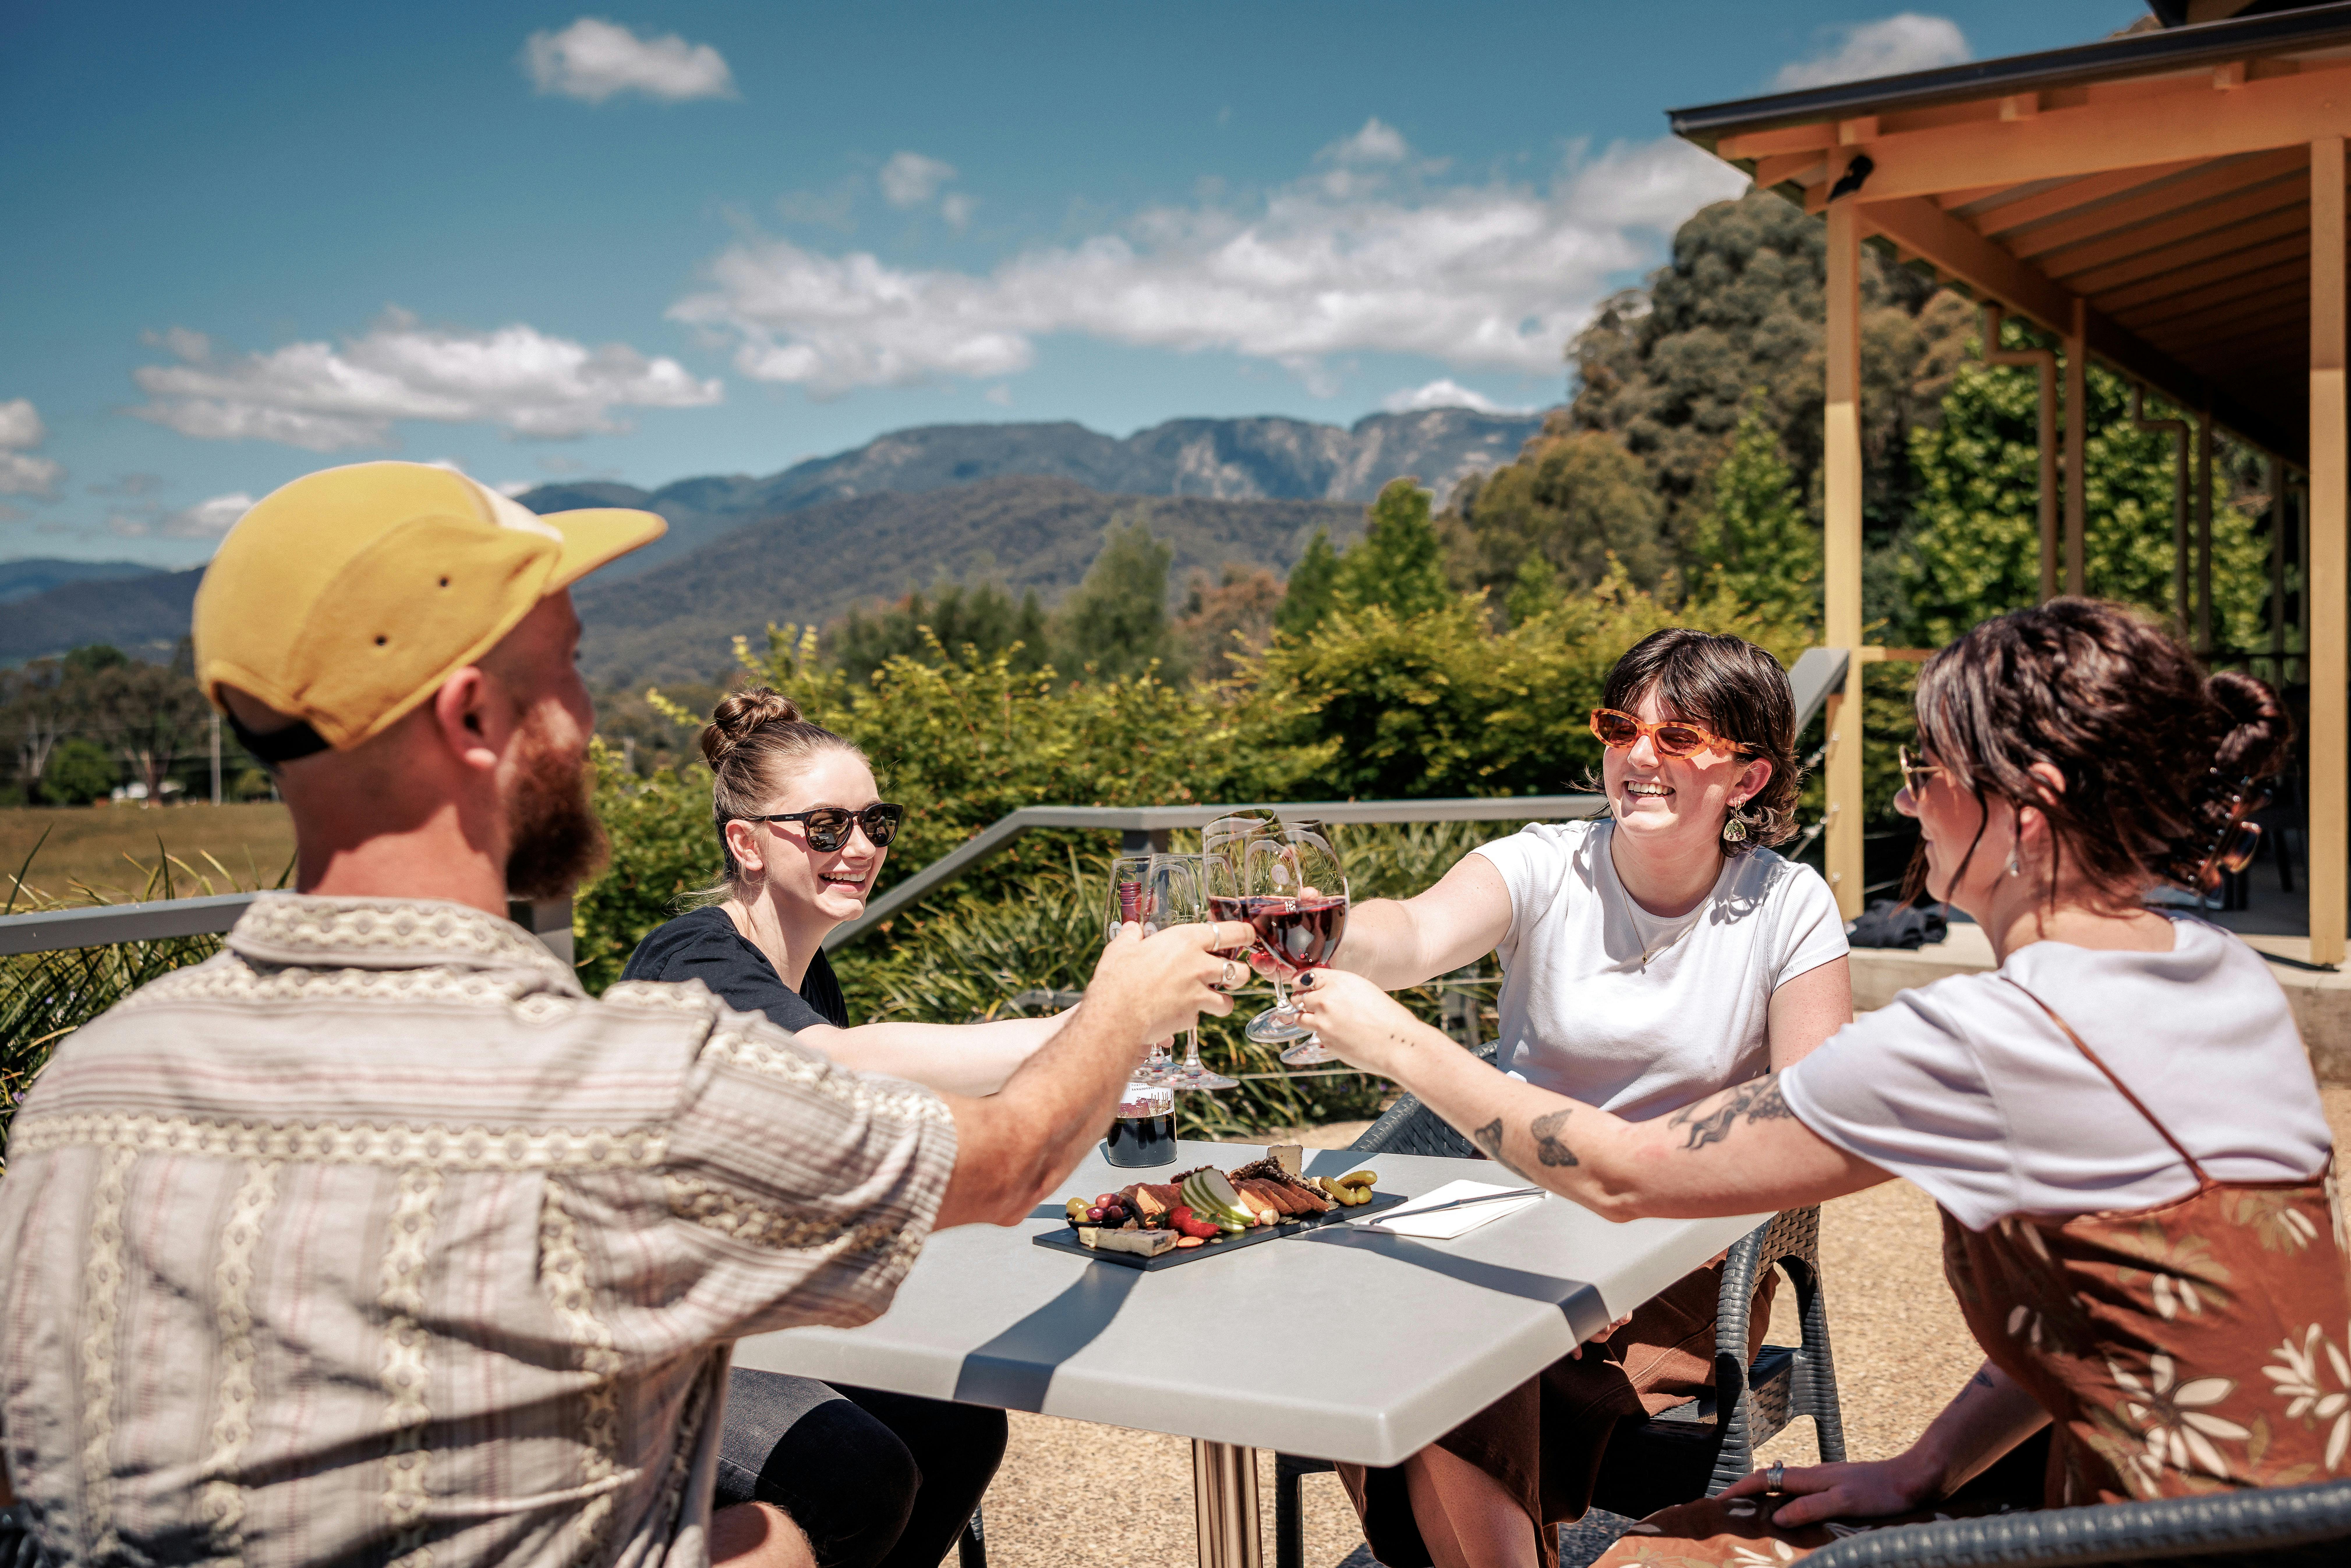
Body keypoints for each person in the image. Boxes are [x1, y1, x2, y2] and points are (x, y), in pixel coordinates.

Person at [0, 461, 1253, 1568]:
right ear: (475, 717)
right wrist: (1124, 1003)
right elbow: (1010, 1164)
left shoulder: (90, 1087)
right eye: (573, 670)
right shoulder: (621, 1086)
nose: (593, 722)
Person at [1293, 599, 2347, 1566]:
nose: (1901, 798)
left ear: (2026, 812)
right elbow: (2100, 1311)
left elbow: (1621, 1173)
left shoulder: (1990, 1034)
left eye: (1924, 769)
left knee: (1638, 1557)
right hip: (2278, 1503)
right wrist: (1922, 1467)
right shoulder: (2219, 973)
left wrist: (1392, 1042)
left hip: (2148, 1532)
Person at [1322, 628, 1853, 1568]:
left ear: (1748, 778)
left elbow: (1808, 1122)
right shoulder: (1540, 865)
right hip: (1517, 1226)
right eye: (1622, 727)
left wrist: (1628, 1240)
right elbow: (1410, 933)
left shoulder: (1788, 905)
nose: (1639, 756)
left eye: (1679, 737)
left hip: (1688, 1250)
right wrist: (1320, 931)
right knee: (1412, 1333)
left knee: (1451, 1361)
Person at [619, 689, 1068, 1568]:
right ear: (746, 843)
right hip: (641, 1358)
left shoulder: (803, 973)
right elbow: (844, 1062)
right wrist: (1098, 1021)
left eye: (874, 822)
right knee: (849, 1470)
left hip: (739, 1323)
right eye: (825, 827)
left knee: (956, 1424)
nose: (860, 848)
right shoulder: (694, 960)